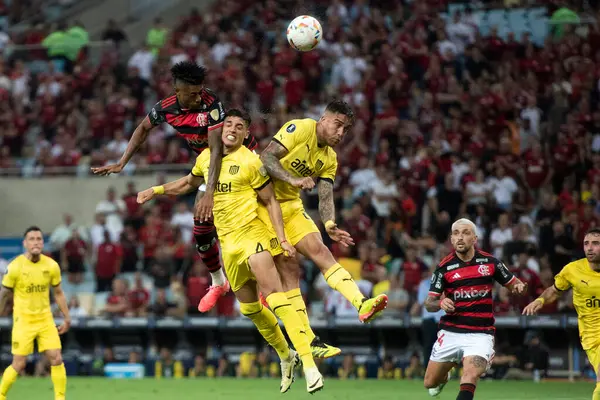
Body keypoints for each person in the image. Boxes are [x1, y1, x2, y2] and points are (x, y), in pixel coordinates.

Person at [136, 109, 323, 393]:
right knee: (250, 309)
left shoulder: (252, 162)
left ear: (247, 133)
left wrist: (282, 239)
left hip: (253, 236)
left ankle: (310, 366)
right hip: (230, 247)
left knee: (277, 298)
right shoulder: (206, 159)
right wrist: (157, 190)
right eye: (229, 124)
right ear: (221, 129)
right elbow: (188, 183)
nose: (233, 129)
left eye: (240, 126)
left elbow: (271, 201)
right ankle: (286, 355)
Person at [92, 61, 257, 312]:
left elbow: (215, 150)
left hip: (239, 157)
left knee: (253, 218)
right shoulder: (165, 109)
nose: (198, 97)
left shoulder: (211, 103)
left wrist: (208, 193)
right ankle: (218, 281)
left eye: (200, 91)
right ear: (177, 91)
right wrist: (122, 162)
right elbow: (143, 128)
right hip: (207, 165)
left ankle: (265, 286)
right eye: (192, 94)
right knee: (201, 227)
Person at [259, 100, 388, 336]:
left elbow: (326, 195)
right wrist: (293, 179)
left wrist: (329, 223)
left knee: (321, 251)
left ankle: (361, 303)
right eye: (337, 125)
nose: (340, 133)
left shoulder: (330, 158)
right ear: (323, 119)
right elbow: (266, 158)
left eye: (346, 129)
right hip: (261, 204)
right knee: (286, 266)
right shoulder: (300, 128)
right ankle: (299, 332)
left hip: (290, 206)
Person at [422, 218, 526, 400]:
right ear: (451, 239)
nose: (460, 237)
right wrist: (440, 303)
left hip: (480, 333)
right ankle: (445, 375)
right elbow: (429, 303)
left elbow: (512, 282)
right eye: (456, 233)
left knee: (469, 375)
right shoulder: (443, 268)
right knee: (430, 383)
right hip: (451, 331)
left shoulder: (490, 262)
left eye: (465, 233)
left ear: (475, 238)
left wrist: (517, 287)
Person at [523, 227, 600, 400]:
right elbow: (555, 291)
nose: (589, 247)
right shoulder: (573, 270)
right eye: (586, 243)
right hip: (593, 336)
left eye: (595, 243)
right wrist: (539, 300)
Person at [0, 226, 71, 400]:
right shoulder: (15, 266)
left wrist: (67, 317)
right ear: (25, 243)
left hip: (45, 319)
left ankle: (60, 398)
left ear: (42, 242)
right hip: (23, 320)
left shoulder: (51, 265)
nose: (36, 242)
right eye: (31, 239)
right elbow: (5, 293)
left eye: (39, 239)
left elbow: (59, 292)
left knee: (56, 358)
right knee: (19, 364)